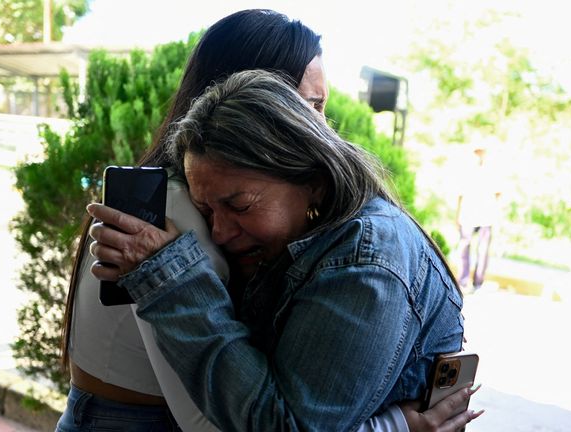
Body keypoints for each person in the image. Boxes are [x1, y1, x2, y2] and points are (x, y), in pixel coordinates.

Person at [60, 9, 480, 432]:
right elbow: (212, 423)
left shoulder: (355, 246)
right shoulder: (176, 206)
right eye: (305, 106)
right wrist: (395, 427)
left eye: (320, 108)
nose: (321, 131)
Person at [455, 140, 502, 292]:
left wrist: (497, 216)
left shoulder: (492, 171)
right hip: (468, 215)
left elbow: (498, 194)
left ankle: (478, 283)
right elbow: (460, 195)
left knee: (482, 251)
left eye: (481, 152)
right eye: (476, 152)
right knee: (464, 247)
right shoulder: (466, 171)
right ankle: (462, 281)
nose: (478, 155)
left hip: (486, 216)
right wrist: (457, 215)